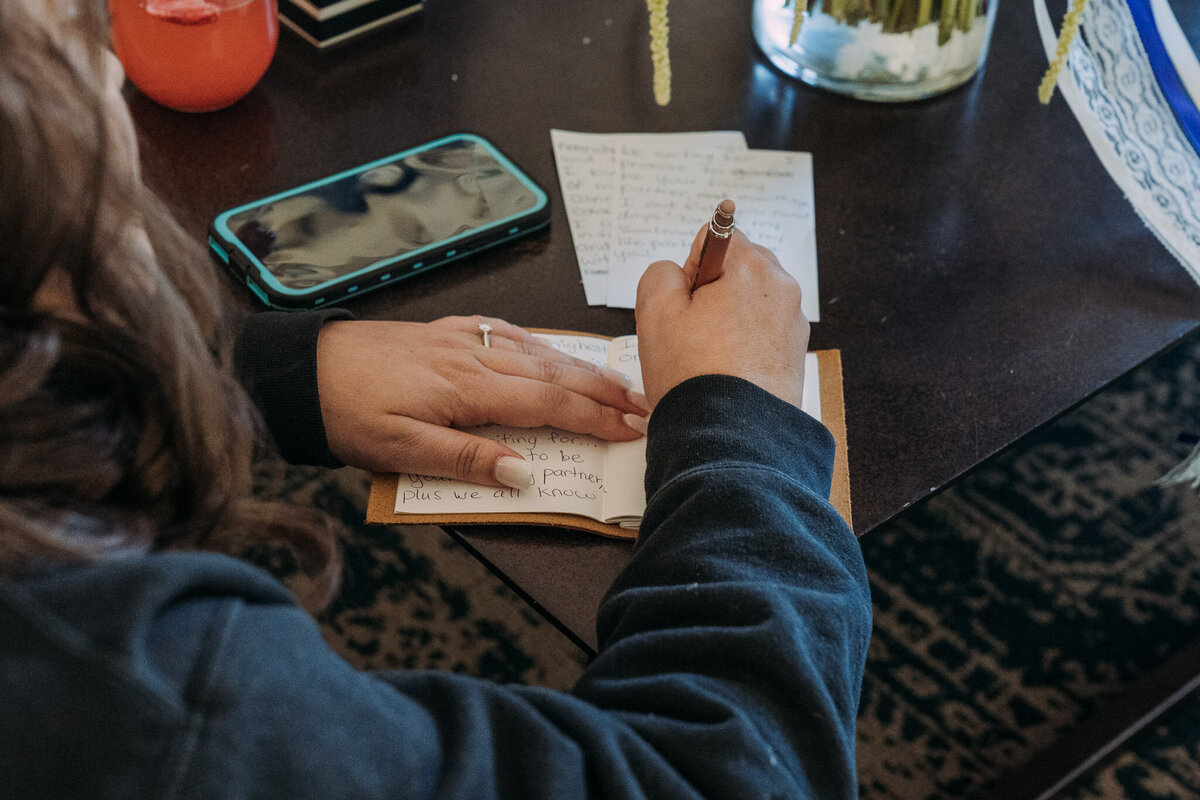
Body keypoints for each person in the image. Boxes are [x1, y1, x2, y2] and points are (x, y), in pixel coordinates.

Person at [0, 1, 872, 798]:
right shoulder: (160, 697)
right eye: (69, 35)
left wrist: (269, 370)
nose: (110, 63)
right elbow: (723, 773)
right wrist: (746, 420)